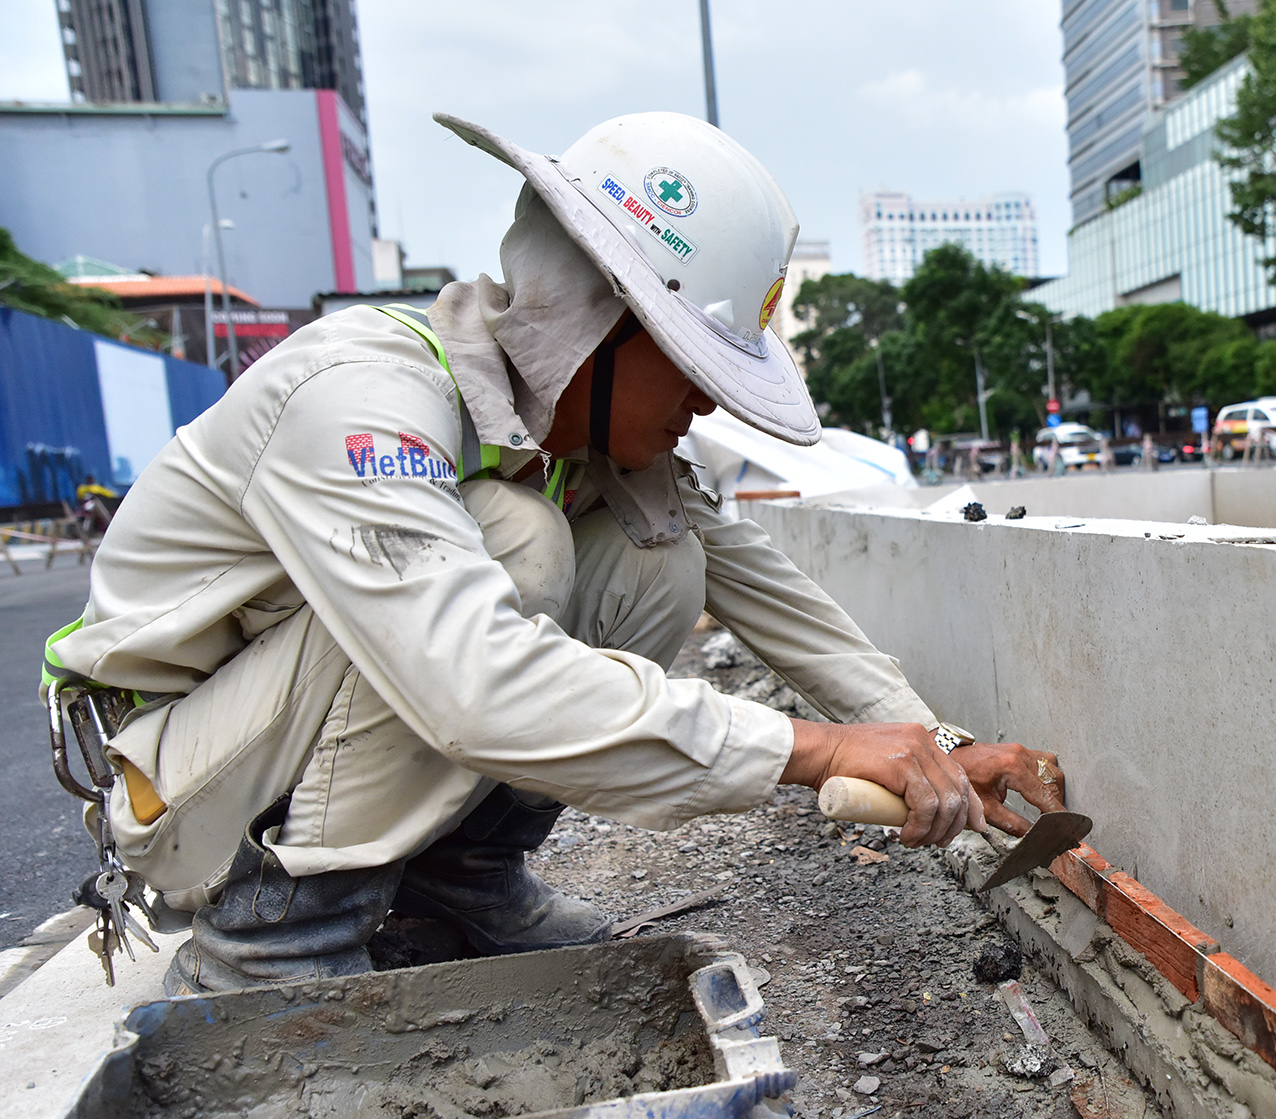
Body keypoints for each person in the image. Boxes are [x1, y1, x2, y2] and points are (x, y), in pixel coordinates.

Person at [44, 111, 1065, 996]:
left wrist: (933, 742)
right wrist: (817, 752)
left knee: (659, 557)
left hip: (274, 736)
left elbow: (777, 600)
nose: (707, 399)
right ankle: (271, 939)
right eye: (689, 363)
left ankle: (457, 888)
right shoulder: (361, 397)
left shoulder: (581, 443)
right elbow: (473, 682)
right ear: (596, 322)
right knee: (519, 546)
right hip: (186, 782)